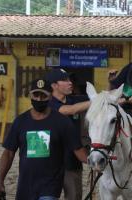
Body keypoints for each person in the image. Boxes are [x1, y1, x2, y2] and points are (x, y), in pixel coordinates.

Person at [0, 79, 88, 200]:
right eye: (35, 95)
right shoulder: (20, 122)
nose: (38, 99)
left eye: (43, 95)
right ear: (30, 95)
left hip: (50, 185)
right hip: (25, 186)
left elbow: (78, 150)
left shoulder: (62, 122)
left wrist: (95, 162)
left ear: (50, 96)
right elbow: (8, 153)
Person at [46, 69, 90, 200]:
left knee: (74, 197)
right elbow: (69, 110)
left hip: (73, 162)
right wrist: (97, 102)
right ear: (54, 85)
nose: (70, 83)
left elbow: (97, 97)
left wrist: (112, 86)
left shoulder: (74, 99)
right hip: (51, 164)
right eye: (65, 80)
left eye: (69, 80)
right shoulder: (48, 103)